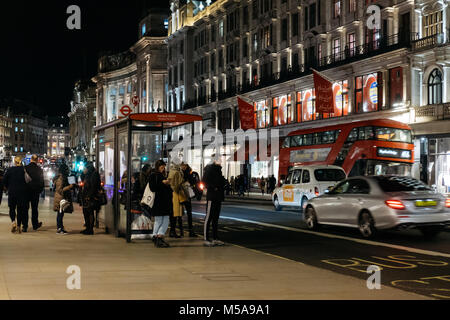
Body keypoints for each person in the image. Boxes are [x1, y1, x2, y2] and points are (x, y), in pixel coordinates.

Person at [202, 159, 227, 247]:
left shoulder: (219, 169)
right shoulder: (209, 169)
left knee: (216, 218)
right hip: (212, 196)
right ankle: (206, 238)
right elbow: (204, 181)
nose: (221, 161)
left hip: (218, 196)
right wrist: (213, 187)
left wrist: (224, 183)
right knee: (209, 217)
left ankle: (215, 238)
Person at [149, 160, 172, 248]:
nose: (163, 168)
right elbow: (153, 188)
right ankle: (158, 236)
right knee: (160, 220)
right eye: (162, 167)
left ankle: (158, 236)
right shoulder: (153, 175)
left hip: (164, 201)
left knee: (165, 219)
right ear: (157, 166)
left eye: (164, 167)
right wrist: (162, 183)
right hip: (158, 201)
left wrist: (167, 184)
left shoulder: (163, 175)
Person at [3, 157, 30, 233]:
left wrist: (8, 187)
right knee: (20, 209)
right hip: (22, 193)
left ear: (14, 162)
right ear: (21, 162)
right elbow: (28, 181)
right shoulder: (24, 170)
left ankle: (13, 222)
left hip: (12, 192)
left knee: (12, 208)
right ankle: (19, 226)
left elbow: (4, 181)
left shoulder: (9, 170)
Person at [53, 164, 76, 235]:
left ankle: (61, 227)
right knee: (60, 214)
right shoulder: (60, 178)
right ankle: (59, 229)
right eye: (67, 169)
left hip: (62, 198)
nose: (68, 171)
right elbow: (60, 190)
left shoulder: (64, 177)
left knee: (61, 214)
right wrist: (69, 187)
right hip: (60, 199)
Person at [80, 162, 101, 235]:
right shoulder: (87, 175)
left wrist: (89, 196)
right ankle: (87, 227)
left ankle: (90, 229)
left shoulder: (94, 174)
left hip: (91, 197)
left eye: (85, 168)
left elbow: (94, 187)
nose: (84, 169)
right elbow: (83, 181)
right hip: (85, 196)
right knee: (85, 212)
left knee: (90, 213)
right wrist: (83, 173)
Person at [168, 163, 188, 238]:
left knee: (175, 214)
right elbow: (177, 184)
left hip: (175, 194)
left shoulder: (172, 171)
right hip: (176, 194)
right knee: (175, 214)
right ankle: (173, 231)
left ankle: (173, 231)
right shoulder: (176, 172)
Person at [25, 155, 44, 231]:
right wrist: (39, 190)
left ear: (31, 160)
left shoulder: (26, 168)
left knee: (25, 209)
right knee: (34, 209)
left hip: (26, 191)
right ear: (37, 160)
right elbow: (41, 182)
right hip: (35, 192)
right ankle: (35, 224)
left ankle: (25, 225)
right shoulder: (39, 169)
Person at [180, 162, 197, 237]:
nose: (183, 167)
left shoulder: (189, 172)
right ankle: (181, 230)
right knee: (179, 213)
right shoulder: (180, 172)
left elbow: (193, 181)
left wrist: (189, 182)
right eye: (182, 165)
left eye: (184, 165)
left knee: (189, 212)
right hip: (181, 193)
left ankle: (190, 230)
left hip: (186, 193)